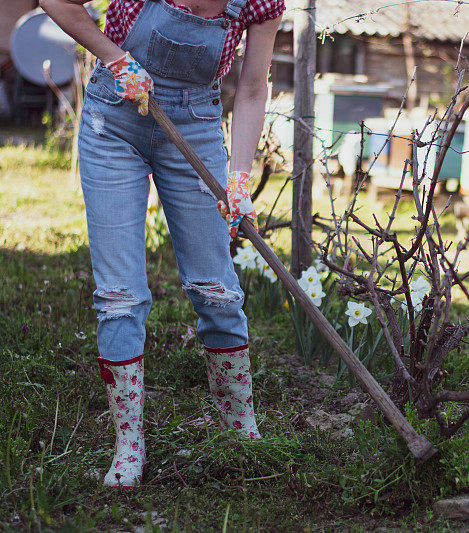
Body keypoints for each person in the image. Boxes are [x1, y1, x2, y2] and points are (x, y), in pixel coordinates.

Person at [40, 0, 285, 488]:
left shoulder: (260, 3)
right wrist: (112, 55)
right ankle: (128, 450)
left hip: (194, 124)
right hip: (114, 123)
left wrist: (238, 178)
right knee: (120, 298)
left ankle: (241, 437)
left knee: (217, 289)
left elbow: (254, 88)